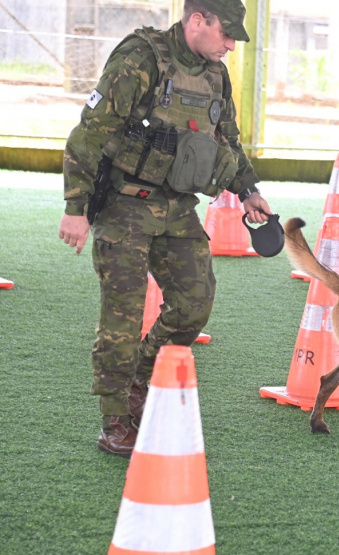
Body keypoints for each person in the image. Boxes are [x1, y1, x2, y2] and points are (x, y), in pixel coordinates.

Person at [58, 0, 272, 456]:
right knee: (122, 315)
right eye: (226, 34)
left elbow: (225, 138)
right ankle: (115, 420)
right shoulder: (141, 58)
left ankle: (141, 377)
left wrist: (248, 189)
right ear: (198, 20)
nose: (232, 45)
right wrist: (75, 208)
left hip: (176, 206)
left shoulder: (215, 72)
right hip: (123, 204)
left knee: (195, 303)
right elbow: (88, 134)